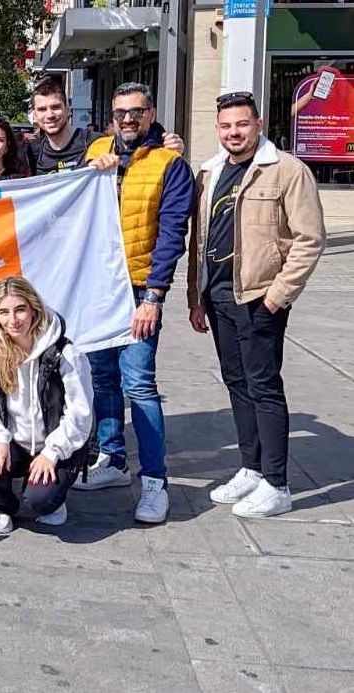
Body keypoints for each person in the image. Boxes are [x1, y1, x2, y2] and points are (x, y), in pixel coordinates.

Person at [187, 92, 325, 518]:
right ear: (217, 128)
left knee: (263, 385)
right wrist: (196, 297)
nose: (234, 132)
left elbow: (310, 239)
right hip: (219, 296)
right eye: (226, 125)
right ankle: (251, 467)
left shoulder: (286, 171)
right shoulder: (209, 172)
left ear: (258, 124)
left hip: (258, 297)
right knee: (236, 382)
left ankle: (277, 483)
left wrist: (278, 295)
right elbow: (201, 241)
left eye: (242, 124)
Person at [71, 82, 196, 524]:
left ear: (150, 114)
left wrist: (155, 297)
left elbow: (171, 235)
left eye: (136, 112)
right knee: (103, 378)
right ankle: (113, 460)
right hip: (97, 288)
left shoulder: (170, 162)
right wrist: (91, 171)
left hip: (140, 289)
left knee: (139, 382)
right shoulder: (96, 151)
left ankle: (156, 481)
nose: (128, 120)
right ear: (111, 116)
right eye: (121, 112)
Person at [0, 277, 93, 534]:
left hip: (55, 445)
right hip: (14, 441)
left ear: (34, 309)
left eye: (20, 309)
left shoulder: (64, 354)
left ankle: (52, 501)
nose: (12, 320)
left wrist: (51, 452)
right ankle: (2, 506)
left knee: (40, 500)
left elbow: (80, 414)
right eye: (3, 312)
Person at [26, 77, 183, 176]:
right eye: (42, 109)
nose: (50, 115)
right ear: (35, 114)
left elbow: (135, 147)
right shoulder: (31, 152)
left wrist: (165, 143)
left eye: (55, 107)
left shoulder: (97, 142)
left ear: (68, 109)